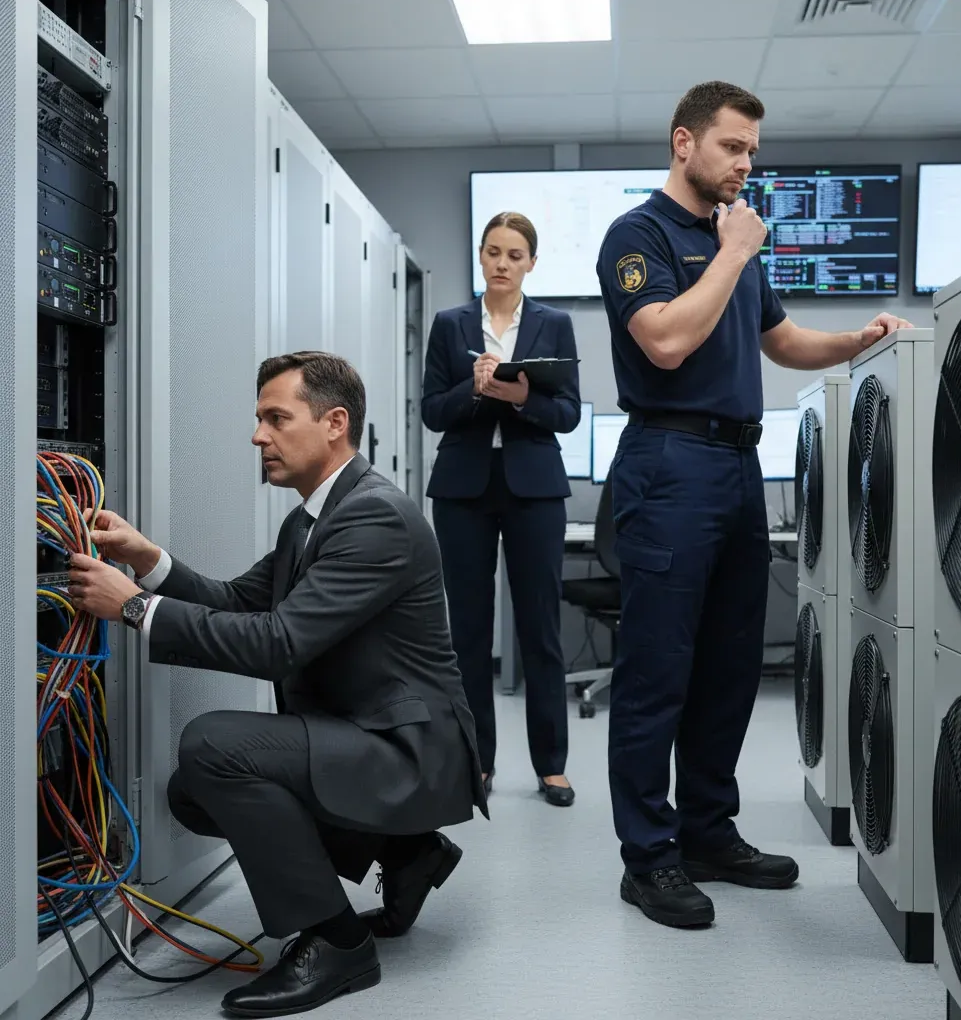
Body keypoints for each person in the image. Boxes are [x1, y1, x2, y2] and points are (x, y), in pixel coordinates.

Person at [67, 351, 489, 1016]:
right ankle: (406, 850)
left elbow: (278, 643)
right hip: (367, 733)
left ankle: (337, 940)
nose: (257, 435)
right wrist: (148, 564)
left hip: (412, 752)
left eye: (275, 418)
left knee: (212, 747)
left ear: (334, 423)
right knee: (193, 793)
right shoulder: (314, 517)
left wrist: (132, 607)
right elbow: (239, 601)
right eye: (259, 419)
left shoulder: (374, 516)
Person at [595, 80, 911, 928]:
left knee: (730, 667)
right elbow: (662, 341)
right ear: (683, 143)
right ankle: (649, 857)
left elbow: (781, 338)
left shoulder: (734, 240)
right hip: (669, 461)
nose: (746, 164)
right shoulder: (640, 235)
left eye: (752, 151)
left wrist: (857, 340)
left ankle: (706, 832)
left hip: (737, 466)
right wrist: (733, 250)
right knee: (657, 672)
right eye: (733, 146)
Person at [421, 211, 581, 808]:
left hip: (534, 489)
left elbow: (567, 413)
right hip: (464, 488)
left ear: (531, 263)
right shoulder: (449, 324)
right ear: (480, 257)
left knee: (540, 627)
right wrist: (474, 388)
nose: (503, 263)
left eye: (515, 255)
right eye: (493, 252)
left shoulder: (555, 324)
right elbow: (433, 409)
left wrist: (520, 397)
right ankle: (476, 761)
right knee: (466, 631)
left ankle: (552, 765)